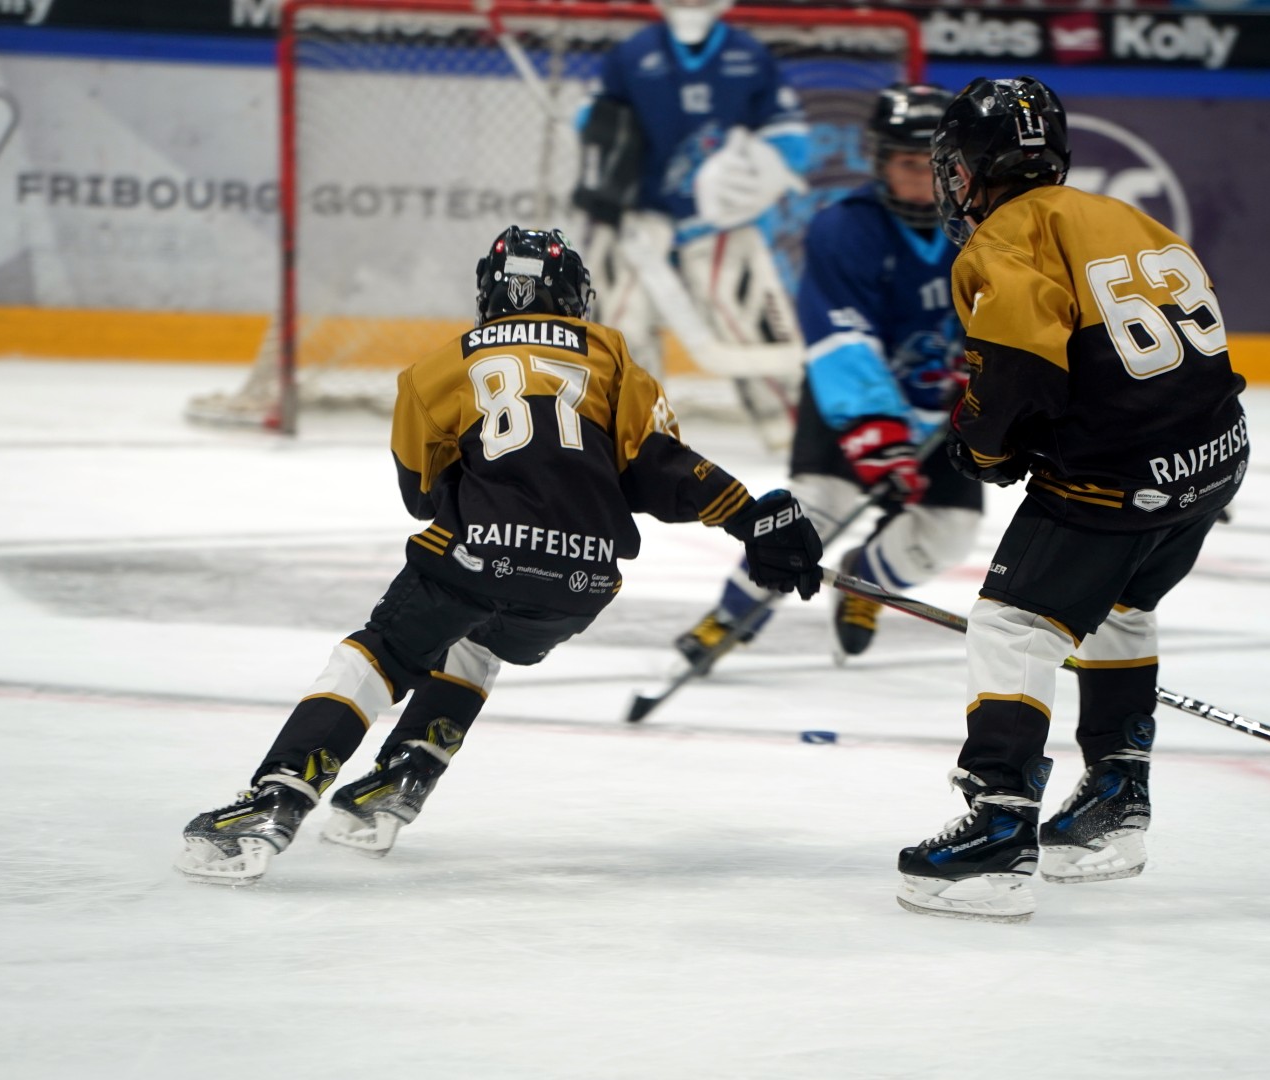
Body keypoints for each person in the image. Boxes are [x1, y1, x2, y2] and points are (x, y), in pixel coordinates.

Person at [175, 227, 824, 885]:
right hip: (582, 579)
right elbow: (663, 468)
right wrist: (751, 518)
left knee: (380, 651)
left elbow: (421, 495)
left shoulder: (435, 369)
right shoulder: (611, 356)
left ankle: (278, 796)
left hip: (479, 557)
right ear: (574, 297)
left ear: (488, 295)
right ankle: (404, 775)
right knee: (476, 640)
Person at [894, 78, 1248, 923]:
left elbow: (1018, 373)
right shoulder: (1128, 219)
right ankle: (1115, 801)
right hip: (1216, 459)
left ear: (970, 168)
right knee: (1122, 606)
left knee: (1013, 625)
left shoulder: (1004, 239)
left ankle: (998, 827)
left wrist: (984, 446)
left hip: (1120, 477)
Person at [675, 84, 981, 670]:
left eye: (937, 166)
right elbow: (843, 342)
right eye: (908, 164)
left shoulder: (986, 232)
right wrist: (878, 433)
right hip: (850, 402)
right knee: (816, 512)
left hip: (947, 405)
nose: (923, 180)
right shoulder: (842, 229)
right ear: (879, 160)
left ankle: (867, 578)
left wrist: (990, 376)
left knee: (950, 532)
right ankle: (732, 614)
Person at [573, 0, 810, 433]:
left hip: (719, 217)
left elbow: (789, 135)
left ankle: (792, 431)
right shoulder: (633, 55)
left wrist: (765, 163)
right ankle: (627, 433)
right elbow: (594, 118)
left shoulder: (749, 56)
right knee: (623, 316)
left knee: (740, 312)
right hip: (643, 217)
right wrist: (602, 140)